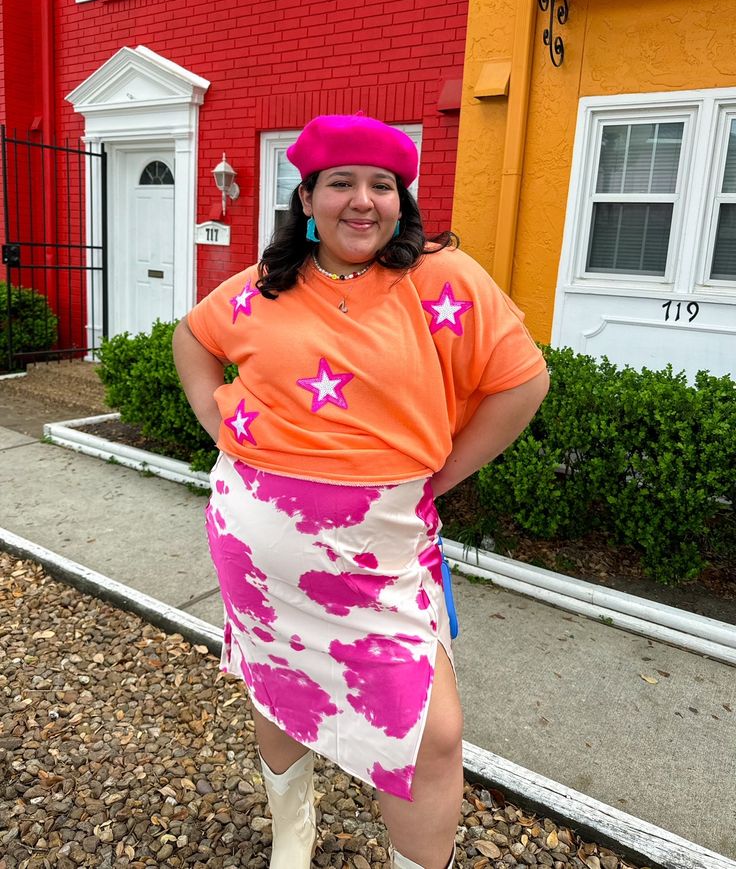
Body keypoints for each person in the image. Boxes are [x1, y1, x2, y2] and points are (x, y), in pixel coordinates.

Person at [172, 113, 549, 869]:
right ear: (307, 198)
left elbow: (522, 381)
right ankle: (293, 833)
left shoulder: (439, 276)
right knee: (275, 687)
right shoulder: (267, 285)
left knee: (430, 734)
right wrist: (220, 422)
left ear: (401, 201)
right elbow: (193, 338)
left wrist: (441, 473)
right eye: (341, 183)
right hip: (256, 554)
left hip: (377, 562)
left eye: (382, 185)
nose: (363, 200)